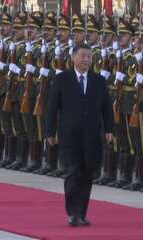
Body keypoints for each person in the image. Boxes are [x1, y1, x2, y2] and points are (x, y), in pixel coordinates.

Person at [46, 44, 114, 227]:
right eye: (83, 56)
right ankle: (72, 212)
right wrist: (50, 132)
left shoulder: (99, 80)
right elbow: (52, 108)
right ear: (73, 58)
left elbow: (107, 107)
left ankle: (82, 213)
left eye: (89, 57)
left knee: (86, 175)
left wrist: (109, 130)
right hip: (69, 135)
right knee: (73, 172)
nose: (86, 60)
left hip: (92, 136)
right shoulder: (62, 79)